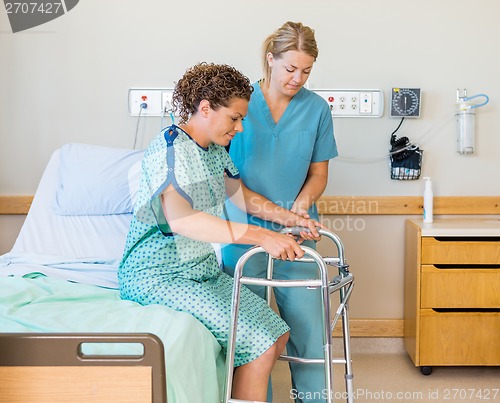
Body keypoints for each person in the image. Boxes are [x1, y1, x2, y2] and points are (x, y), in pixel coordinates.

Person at [118, 62, 321, 402]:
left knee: (277, 334)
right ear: (206, 108)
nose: (241, 128)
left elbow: (241, 196)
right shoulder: (171, 148)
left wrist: (291, 220)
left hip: (201, 273)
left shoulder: (213, 151)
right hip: (159, 276)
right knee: (259, 341)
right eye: (235, 118)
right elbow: (183, 220)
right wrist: (262, 237)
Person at [222, 21, 338, 402]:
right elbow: (230, 184)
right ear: (270, 60)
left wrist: (300, 213)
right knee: (251, 338)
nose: (297, 78)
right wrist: (282, 218)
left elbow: (318, 173)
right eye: (290, 69)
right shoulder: (239, 106)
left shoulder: (317, 109)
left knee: (309, 330)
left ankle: (313, 398)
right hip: (243, 235)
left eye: (306, 71)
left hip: (298, 238)